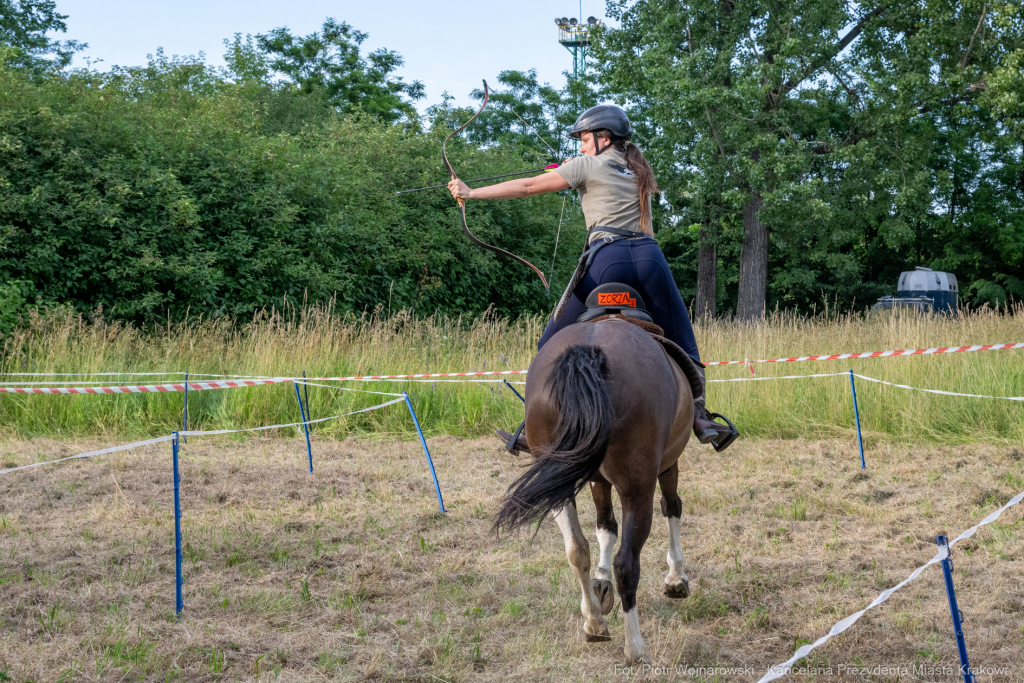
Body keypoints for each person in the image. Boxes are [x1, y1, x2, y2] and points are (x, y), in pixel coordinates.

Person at [448, 104, 737, 452]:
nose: (581, 147)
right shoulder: (637, 169)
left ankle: (533, 426)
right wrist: (569, 169)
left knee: (548, 344)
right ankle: (702, 418)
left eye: (585, 139)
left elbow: (527, 187)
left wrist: (471, 192)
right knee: (685, 344)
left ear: (604, 138)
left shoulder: (585, 165)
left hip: (607, 260)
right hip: (650, 259)